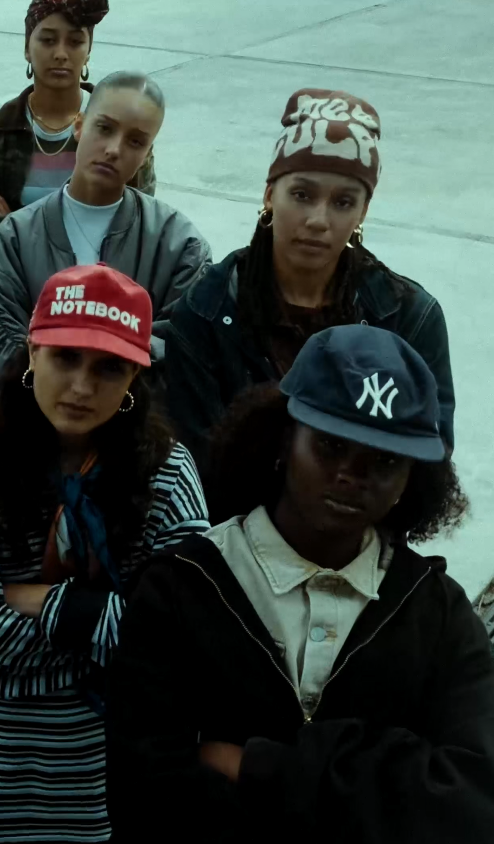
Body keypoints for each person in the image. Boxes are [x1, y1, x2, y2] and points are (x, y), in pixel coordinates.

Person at [107, 325, 492, 843]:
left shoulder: (440, 615)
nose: (351, 474)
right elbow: (145, 800)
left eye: (385, 460)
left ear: (412, 479)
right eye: (331, 445)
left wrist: (265, 768)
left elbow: (473, 803)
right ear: (284, 439)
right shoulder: (180, 587)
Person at [0, 265, 209, 843]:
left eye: (109, 368)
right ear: (31, 352)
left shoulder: (168, 474)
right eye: (65, 358)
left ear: (136, 376)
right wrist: (104, 620)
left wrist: (48, 605)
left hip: (105, 790)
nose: (82, 386)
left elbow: (186, 636)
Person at [160, 89, 453, 471]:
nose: (318, 219)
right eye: (301, 194)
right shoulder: (206, 313)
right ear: (269, 195)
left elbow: (429, 459)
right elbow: (200, 469)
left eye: (343, 202)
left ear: (363, 211)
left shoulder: (410, 318)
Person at [0, 71, 209, 389]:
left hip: (134, 432)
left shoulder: (179, 246)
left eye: (135, 141)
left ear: (148, 152)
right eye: (104, 128)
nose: (113, 149)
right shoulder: (15, 239)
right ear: (78, 126)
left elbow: (183, 348)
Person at [0, 0, 156, 221]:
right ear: (27, 48)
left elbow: (136, 219)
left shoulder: (122, 128)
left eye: (75, 42)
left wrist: (16, 224)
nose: (60, 53)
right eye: (48, 40)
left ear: (88, 52)